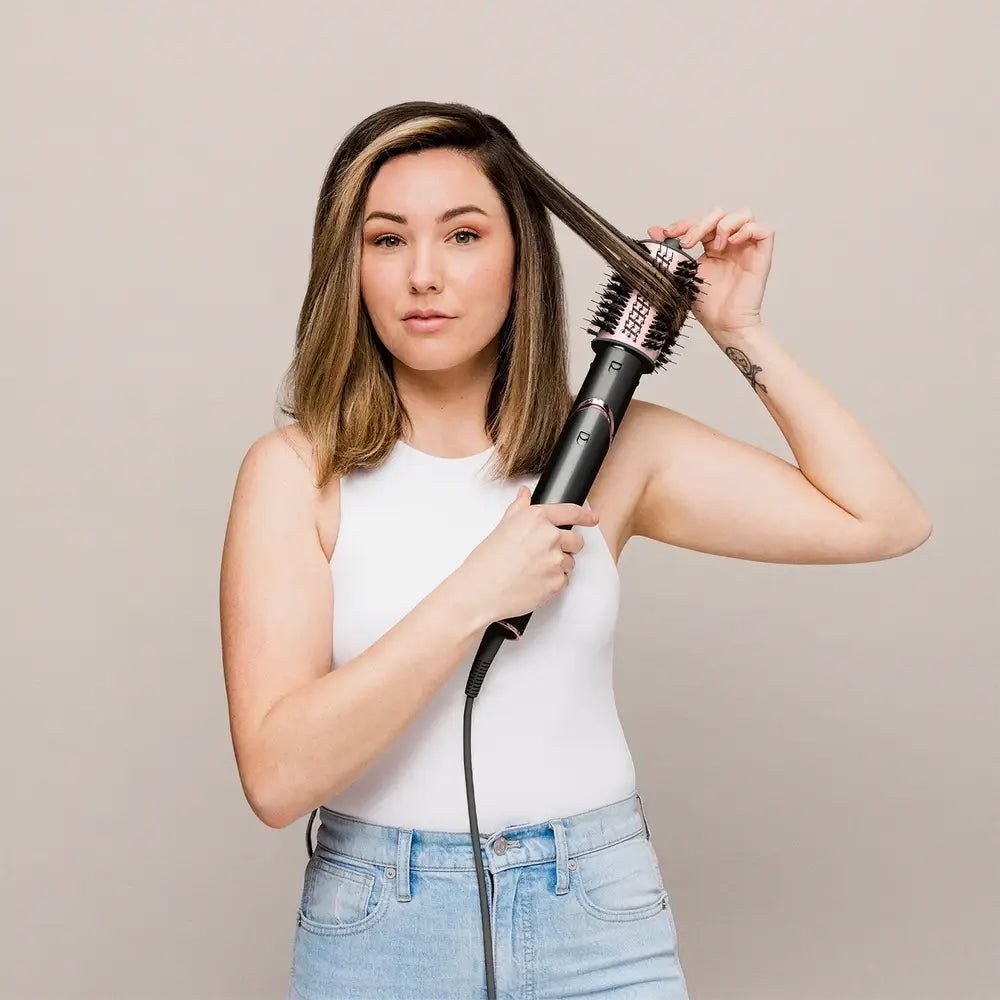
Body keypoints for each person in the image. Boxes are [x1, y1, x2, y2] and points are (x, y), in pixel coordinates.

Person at [219, 101, 932, 1000]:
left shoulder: (616, 452)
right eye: (388, 240)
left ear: (521, 256)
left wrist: (738, 331)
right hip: (381, 927)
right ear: (349, 267)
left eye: (464, 235)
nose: (424, 275)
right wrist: (475, 591)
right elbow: (278, 779)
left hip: (596, 917)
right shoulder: (296, 475)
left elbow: (883, 520)